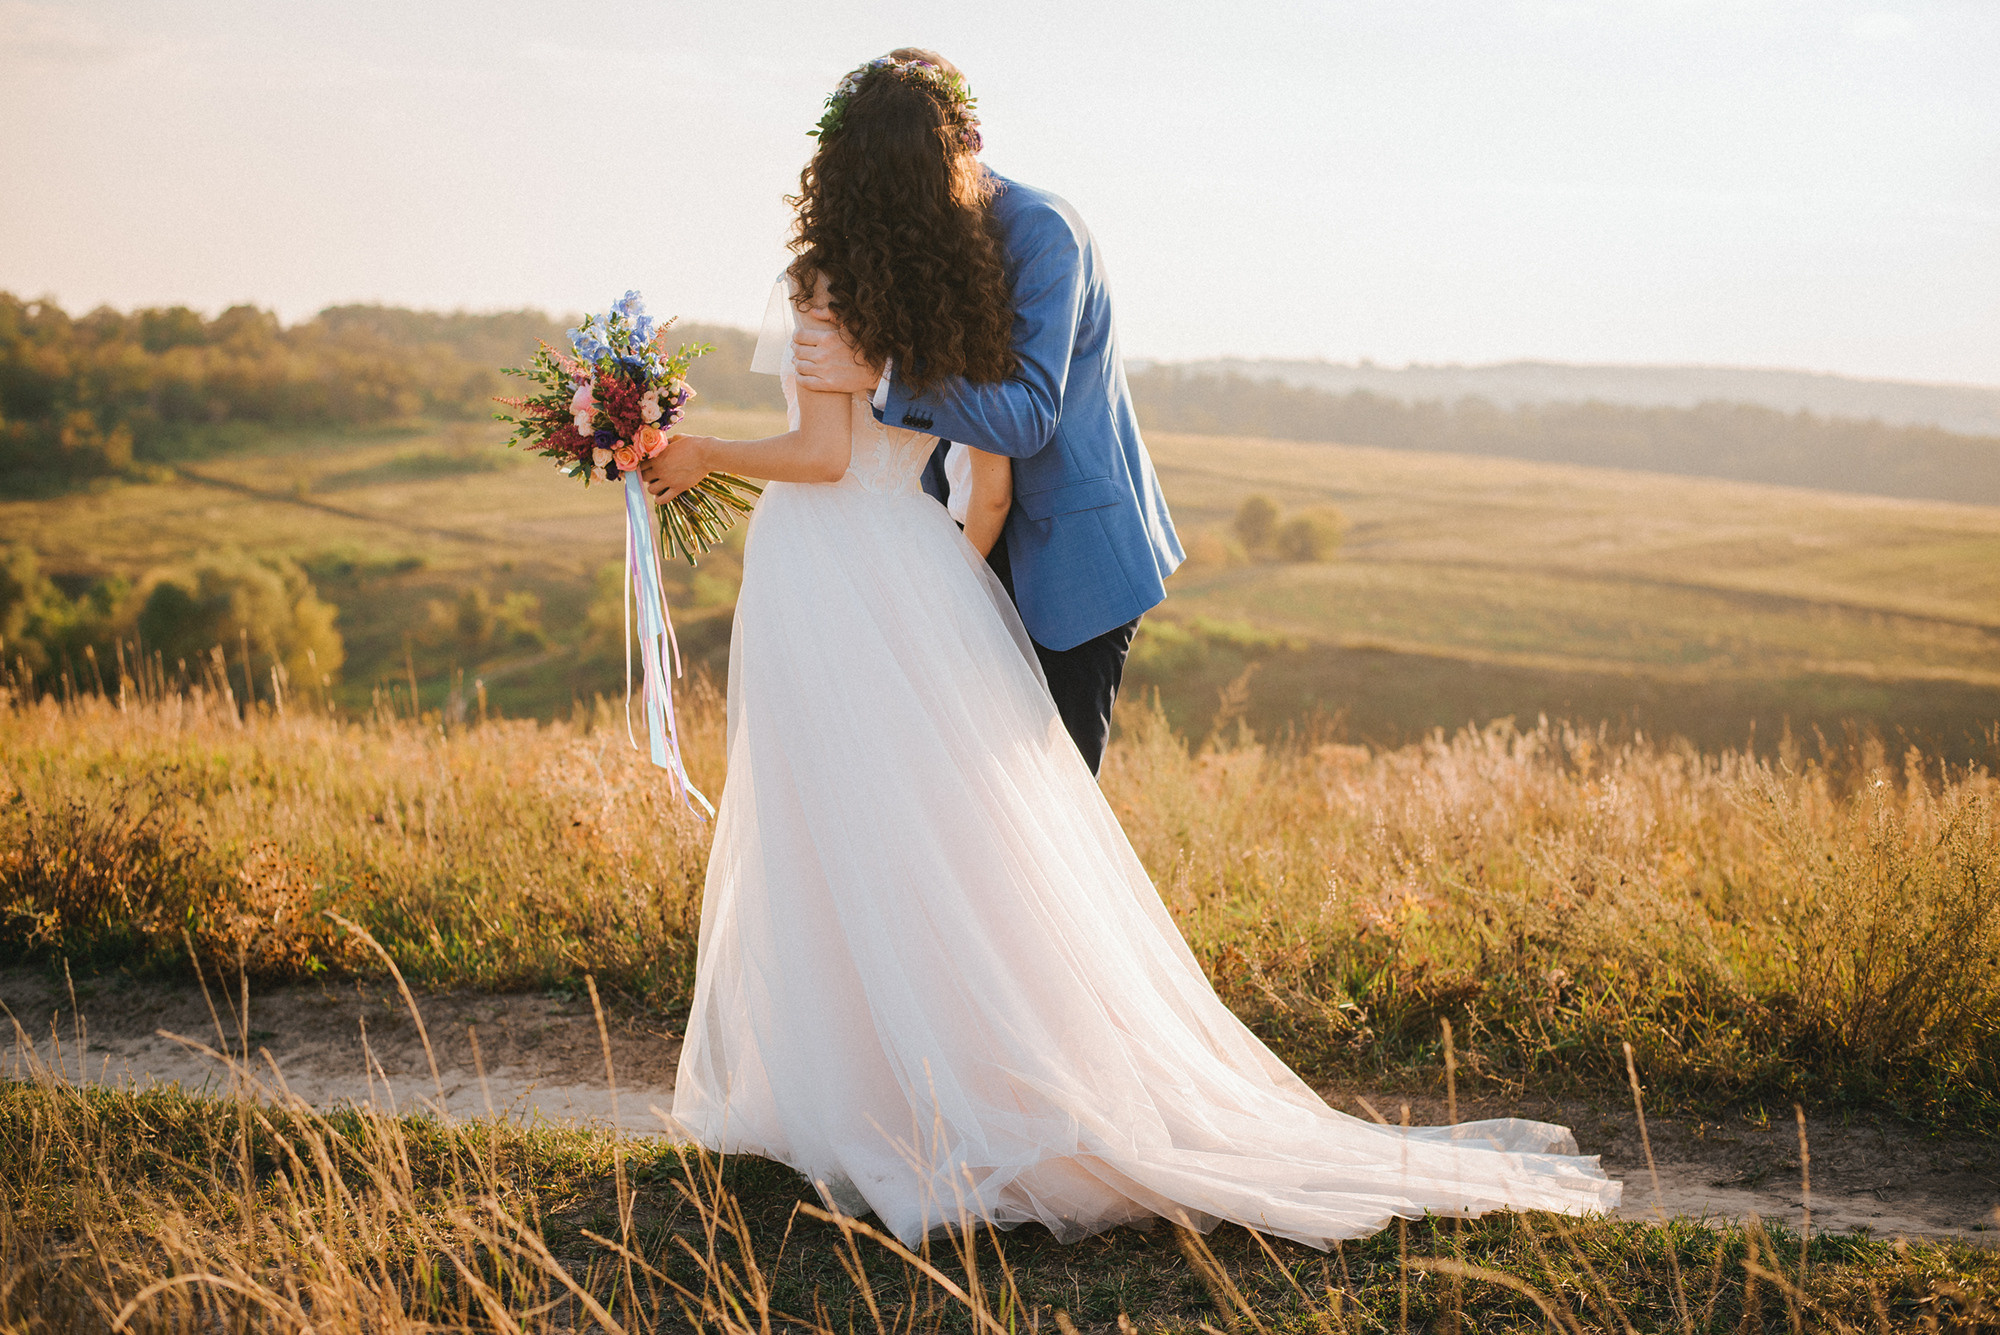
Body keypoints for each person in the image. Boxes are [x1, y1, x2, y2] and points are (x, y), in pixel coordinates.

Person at [643, 51, 1620, 1248]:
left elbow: (1016, 418)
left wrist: (881, 394)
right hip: (944, 552)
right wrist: (943, 550)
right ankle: (930, 1072)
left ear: (957, 152)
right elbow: (933, 451)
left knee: (1033, 842)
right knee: (947, 835)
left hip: (1074, 558)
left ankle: (1054, 1088)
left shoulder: (1040, 234)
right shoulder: (910, 248)